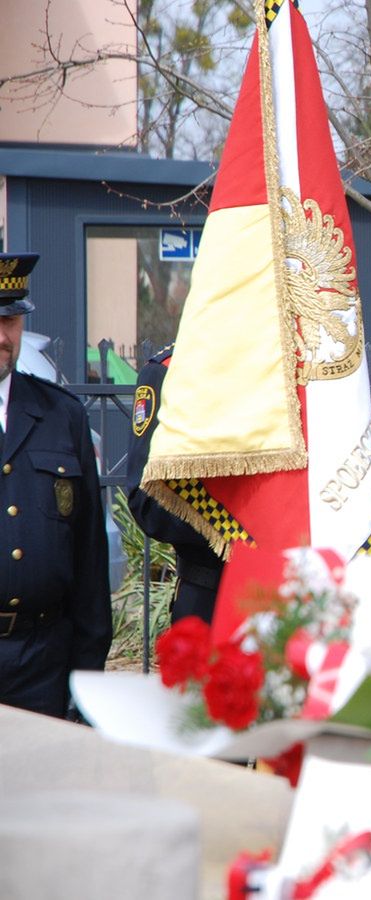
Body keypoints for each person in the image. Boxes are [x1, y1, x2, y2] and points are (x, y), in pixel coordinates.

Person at [0, 252, 111, 717]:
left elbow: (89, 559)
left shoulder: (61, 415)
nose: (2, 336)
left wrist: (86, 680)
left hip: (42, 661)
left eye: (10, 320)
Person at [126, 344, 225, 623]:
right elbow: (146, 499)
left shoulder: (286, 365)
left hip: (287, 599)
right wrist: (234, 526)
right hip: (208, 594)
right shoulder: (168, 370)